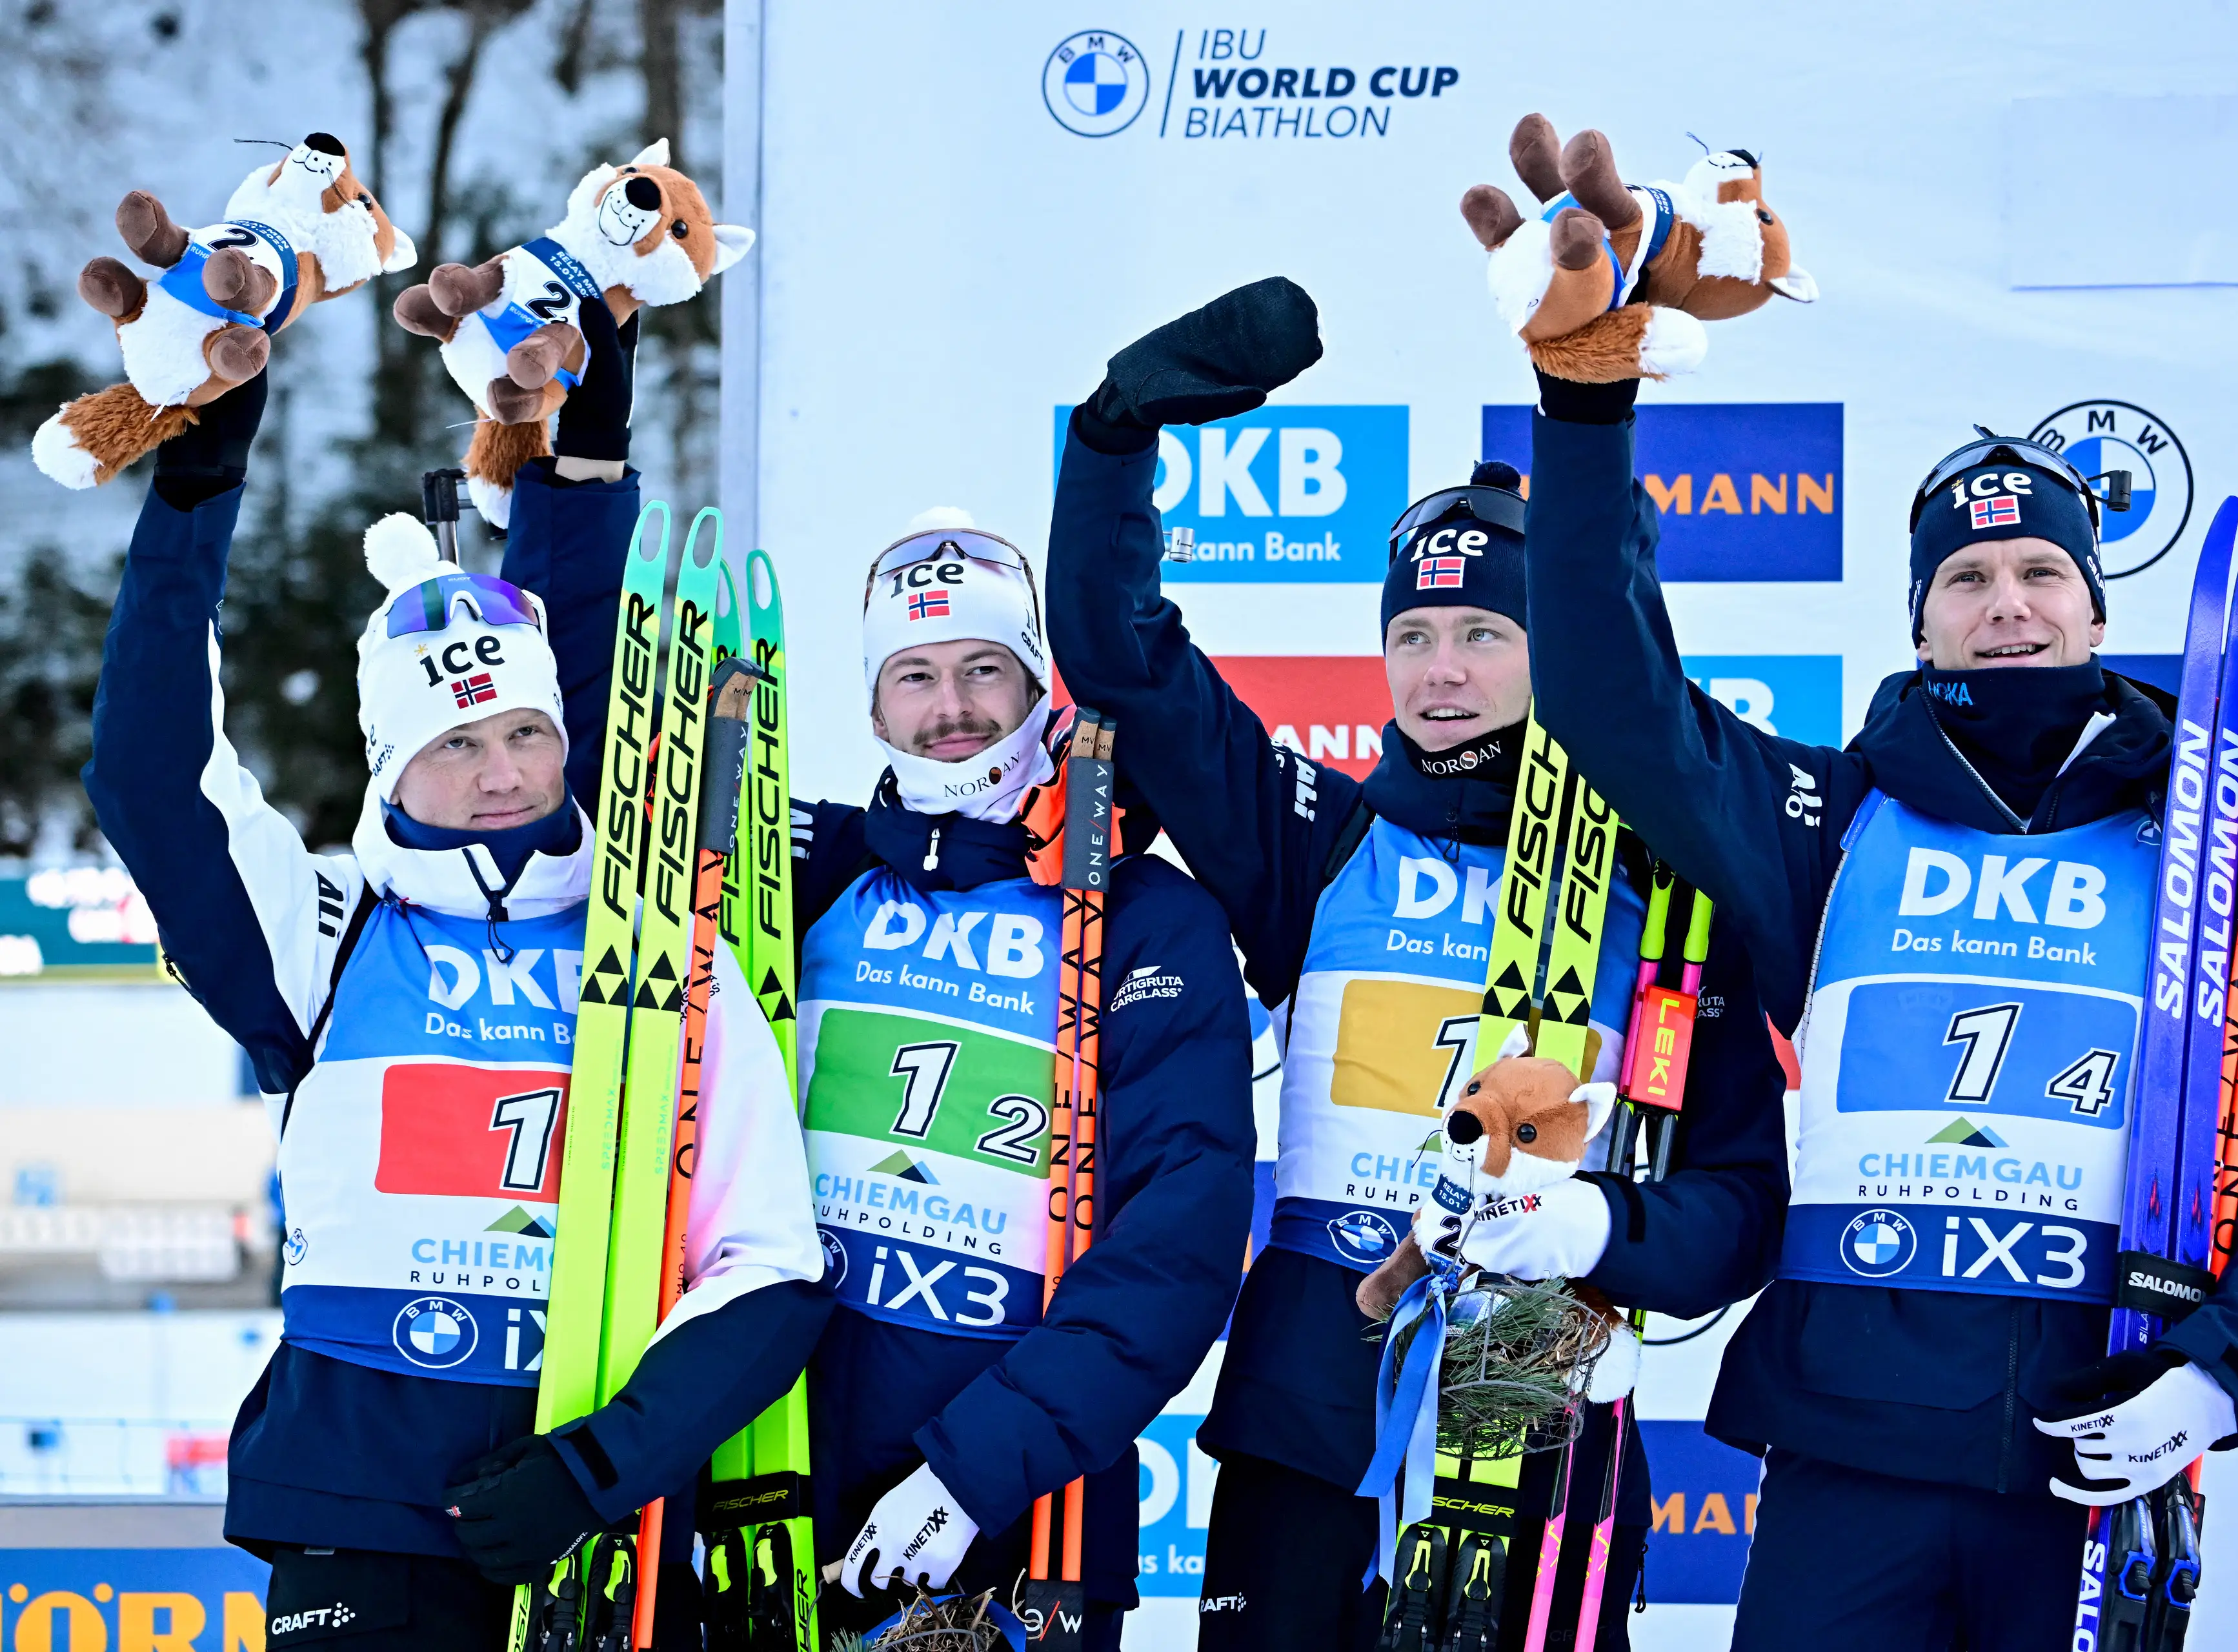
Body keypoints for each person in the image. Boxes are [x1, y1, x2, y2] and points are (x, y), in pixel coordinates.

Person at [1518, 370, 2238, 1649]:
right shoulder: (1828, 823)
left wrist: (2220, 1369)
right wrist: (1587, 413)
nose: (2007, 603)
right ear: (1921, 623)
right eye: (1966, 578)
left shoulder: (2211, 858)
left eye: (2040, 571)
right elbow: (1610, 700)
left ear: (2094, 605)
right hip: (1849, 1452)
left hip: (2093, 1447)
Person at [1043, 279, 1790, 1651]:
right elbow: (1128, 666)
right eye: (1413, 635)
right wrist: (1112, 437)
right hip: (1309, 1426)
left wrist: (1599, 1230)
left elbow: (1739, 1211)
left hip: (1542, 1431)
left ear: (1557, 645)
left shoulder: (1671, 887)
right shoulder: (1318, 842)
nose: (1441, 671)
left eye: (1484, 634)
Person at [83, 300, 832, 1647]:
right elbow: (154, 780)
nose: (503, 773)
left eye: (530, 733)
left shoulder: (664, 945)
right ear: (393, 763)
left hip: (600, 1523)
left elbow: (772, 1263)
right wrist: (195, 495)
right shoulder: (327, 930)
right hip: (358, 1505)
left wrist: (599, 1466)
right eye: (457, 743)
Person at [777, 511, 1257, 1648]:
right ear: (874, 706)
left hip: (1021, 1517)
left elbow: (1177, 1241)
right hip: (778, 1491)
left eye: (985, 668)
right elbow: (582, 793)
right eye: (915, 675)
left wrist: (975, 1471)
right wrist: (572, 479)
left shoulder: (1149, 919)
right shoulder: (809, 872)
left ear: (1040, 683)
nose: (953, 708)